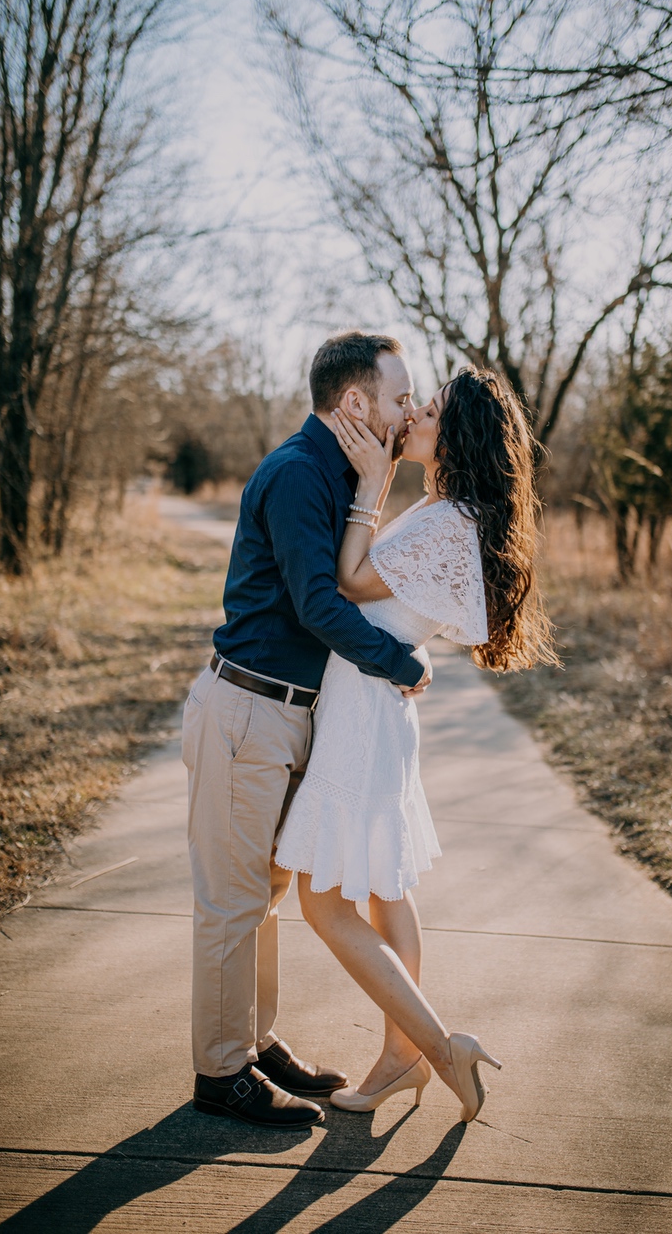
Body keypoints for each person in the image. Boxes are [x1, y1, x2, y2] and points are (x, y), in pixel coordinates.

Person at [275, 366, 556, 1122]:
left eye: (427, 411)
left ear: (453, 433)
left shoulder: (445, 520)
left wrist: (373, 478)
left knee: (323, 903)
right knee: (386, 891)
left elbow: (350, 579)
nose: (414, 417)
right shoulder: (450, 512)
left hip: (364, 718)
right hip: (374, 711)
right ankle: (403, 1057)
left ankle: (431, 1046)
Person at [181, 331, 433, 1130]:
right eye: (398, 398)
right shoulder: (296, 473)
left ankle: (254, 1043)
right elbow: (320, 603)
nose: (406, 413)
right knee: (231, 899)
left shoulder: (343, 472)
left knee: (267, 893)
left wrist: (377, 480)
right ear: (353, 402)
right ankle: (221, 1072)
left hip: (290, 716)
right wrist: (400, 662)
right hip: (247, 710)